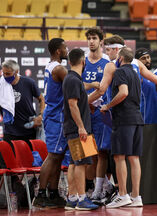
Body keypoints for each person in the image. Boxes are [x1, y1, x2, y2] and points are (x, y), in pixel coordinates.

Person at [100, 47, 144, 208]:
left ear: (121, 58)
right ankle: (136, 196)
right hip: (137, 118)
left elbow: (123, 92)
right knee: (134, 158)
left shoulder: (119, 72)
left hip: (124, 119)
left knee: (119, 157)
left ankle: (123, 194)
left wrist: (108, 106)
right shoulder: (135, 73)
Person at [33, 38, 68, 208]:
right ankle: (40, 194)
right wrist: (93, 84)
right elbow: (74, 85)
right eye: (65, 47)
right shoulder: (60, 69)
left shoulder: (50, 65)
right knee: (53, 156)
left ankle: (53, 193)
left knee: (58, 156)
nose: (67, 49)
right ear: (58, 51)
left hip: (53, 114)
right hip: (57, 116)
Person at [82, 27, 115, 204]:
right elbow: (78, 87)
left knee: (103, 151)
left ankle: (100, 189)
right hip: (86, 113)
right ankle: (101, 185)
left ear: (101, 41)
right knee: (89, 153)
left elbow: (106, 89)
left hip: (101, 113)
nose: (91, 41)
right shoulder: (83, 63)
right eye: (89, 39)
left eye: (94, 38)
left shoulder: (107, 62)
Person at [63, 48, 98, 211]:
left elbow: (78, 99)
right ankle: (82, 199)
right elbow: (72, 104)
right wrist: (81, 127)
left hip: (76, 128)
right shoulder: (73, 80)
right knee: (81, 164)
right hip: (79, 129)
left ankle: (72, 198)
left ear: (70, 62)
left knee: (74, 163)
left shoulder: (73, 79)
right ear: (83, 61)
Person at [2, 60, 45, 151]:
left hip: (28, 130)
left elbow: (41, 99)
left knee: (30, 162)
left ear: (16, 71)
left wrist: (41, 115)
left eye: (8, 74)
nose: (5, 76)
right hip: (10, 131)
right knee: (9, 163)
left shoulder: (28, 82)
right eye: (4, 73)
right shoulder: (1, 85)